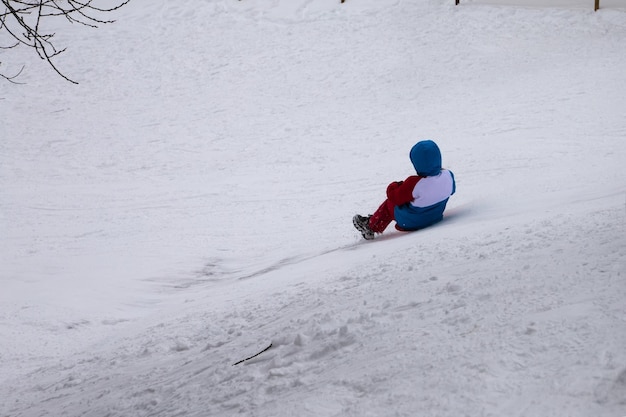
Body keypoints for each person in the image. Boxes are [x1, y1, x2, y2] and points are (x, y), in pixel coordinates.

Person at [353, 140, 456, 240]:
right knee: (414, 199)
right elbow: (448, 190)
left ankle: (371, 226)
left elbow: (394, 196)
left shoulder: (414, 184)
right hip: (435, 217)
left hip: (413, 222)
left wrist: (396, 185)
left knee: (390, 205)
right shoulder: (448, 176)